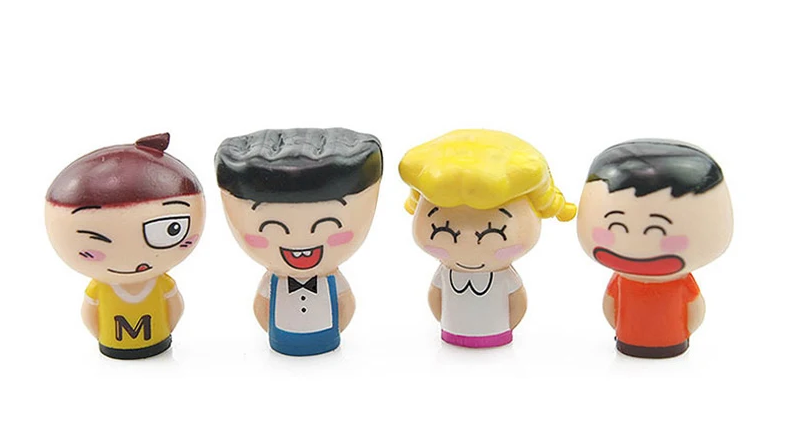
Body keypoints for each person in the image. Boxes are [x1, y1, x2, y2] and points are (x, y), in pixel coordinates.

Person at [399, 129, 575, 348]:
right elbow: (436, 298)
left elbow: (517, 303)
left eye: (494, 232)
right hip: (452, 334)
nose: (467, 239)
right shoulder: (446, 274)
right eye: (443, 229)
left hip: (497, 335)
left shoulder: (503, 277)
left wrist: (507, 327)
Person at [215, 127, 383, 356]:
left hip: (326, 339)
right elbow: (262, 308)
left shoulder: (329, 280)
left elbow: (345, 305)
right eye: (274, 228)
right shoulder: (274, 282)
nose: (301, 243)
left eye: (325, 226)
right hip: (282, 340)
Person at [45, 133, 205, 359]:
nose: (134, 260)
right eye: (94, 246)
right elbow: (175, 310)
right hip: (115, 345)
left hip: (155, 343)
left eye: (172, 230)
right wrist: (102, 336)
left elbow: (174, 309)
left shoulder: (160, 284)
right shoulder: (101, 289)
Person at [576, 139, 733, 358]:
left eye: (655, 230)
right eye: (617, 226)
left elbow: (610, 307)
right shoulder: (623, 280)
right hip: (631, 339)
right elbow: (695, 313)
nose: (636, 240)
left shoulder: (678, 283)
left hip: (671, 341)